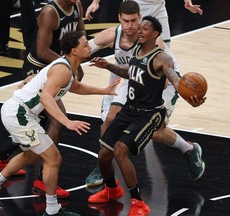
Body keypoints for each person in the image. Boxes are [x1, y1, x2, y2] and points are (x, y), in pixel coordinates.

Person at [0, 30, 120, 216]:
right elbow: (46, 98)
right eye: (84, 44)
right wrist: (66, 121)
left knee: (30, 155)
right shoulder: (63, 69)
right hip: (19, 114)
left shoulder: (69, 68)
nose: (88, 46)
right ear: (74, 51)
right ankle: (52, 210)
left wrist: (104, 90)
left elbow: (75, 86)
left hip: (19, 112)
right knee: (54, 159)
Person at [87, 16, 206, 216]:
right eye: (139, 27)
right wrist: (108, 66)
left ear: (155, 34)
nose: (139, 31)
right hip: (130, 109)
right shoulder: (136, 50)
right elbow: (129, 72)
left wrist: (190, 98)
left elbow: (176, 81)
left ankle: (138, 203)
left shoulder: (162, 59)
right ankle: (111, 190)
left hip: (150, 113)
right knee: (104, 154)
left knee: (120, 151)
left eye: (144, 28)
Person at [0, 0, 86, 198]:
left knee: (36, 122)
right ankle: (43, 178)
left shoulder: (77, 5)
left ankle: (0, 159)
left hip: (58, 66)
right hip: (38, 67)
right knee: (56, 120)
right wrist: (69, 63)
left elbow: (81, 34)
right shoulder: (50, 12)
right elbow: (42, 51)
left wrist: (78, 59)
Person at [85, 0, 203, 46]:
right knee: (126, 53)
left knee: (165, 49)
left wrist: (187, 2)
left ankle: (163, 95)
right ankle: (110, 96)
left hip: (159, 6)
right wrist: (96, 2)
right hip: (136, 6)